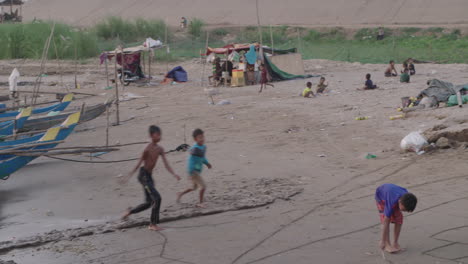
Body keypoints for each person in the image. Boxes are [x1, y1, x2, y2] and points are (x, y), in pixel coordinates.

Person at [120, 126, 181, 231]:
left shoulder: (160, 149)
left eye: (160, 134)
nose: (159, 136)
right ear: (151, 136)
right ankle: (152, 224)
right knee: (157, 198)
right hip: (143, 176)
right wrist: (128, 176)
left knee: (149, 203)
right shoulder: (147, 149)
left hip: (149, 177)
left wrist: (174, 174)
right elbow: (139, 163)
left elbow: (166, 164)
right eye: (157, 134)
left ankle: (129, 211)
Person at [375, 184, 417, 253]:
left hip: (392, 194)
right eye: (404, 209)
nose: (404, 211)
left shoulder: (406, 197)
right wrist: (382, 240)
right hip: (381, 197)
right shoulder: (391, 202)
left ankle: (395, 243)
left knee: (399, 218)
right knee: (386, 220)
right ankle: (387, 244)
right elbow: (385, 221)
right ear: (400, 202)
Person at [177, 129, 212, 208]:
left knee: (194, 187)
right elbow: (192, 151)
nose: (202, 139)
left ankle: (180, 193)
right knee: (203, 186)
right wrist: (189, 149)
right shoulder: (195, 148)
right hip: (193, 171)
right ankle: (200, 203)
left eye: (203, 137)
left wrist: (207, 163)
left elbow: (202, 157)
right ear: (195, 139)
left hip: (197, 171)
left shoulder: (203, 147)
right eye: (200, 137)